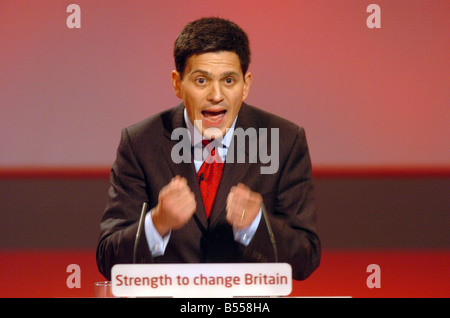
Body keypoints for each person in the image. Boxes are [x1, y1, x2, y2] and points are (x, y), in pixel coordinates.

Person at [96, 17, 320, 281]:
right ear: (177, 83)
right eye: (201, 80)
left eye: (229, 80)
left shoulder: (284, 140)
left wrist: (257, 224)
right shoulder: (140, 142)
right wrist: (157, 223)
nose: (216, 95)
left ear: (245, 85)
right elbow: (109, 260)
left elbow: (306, 258)